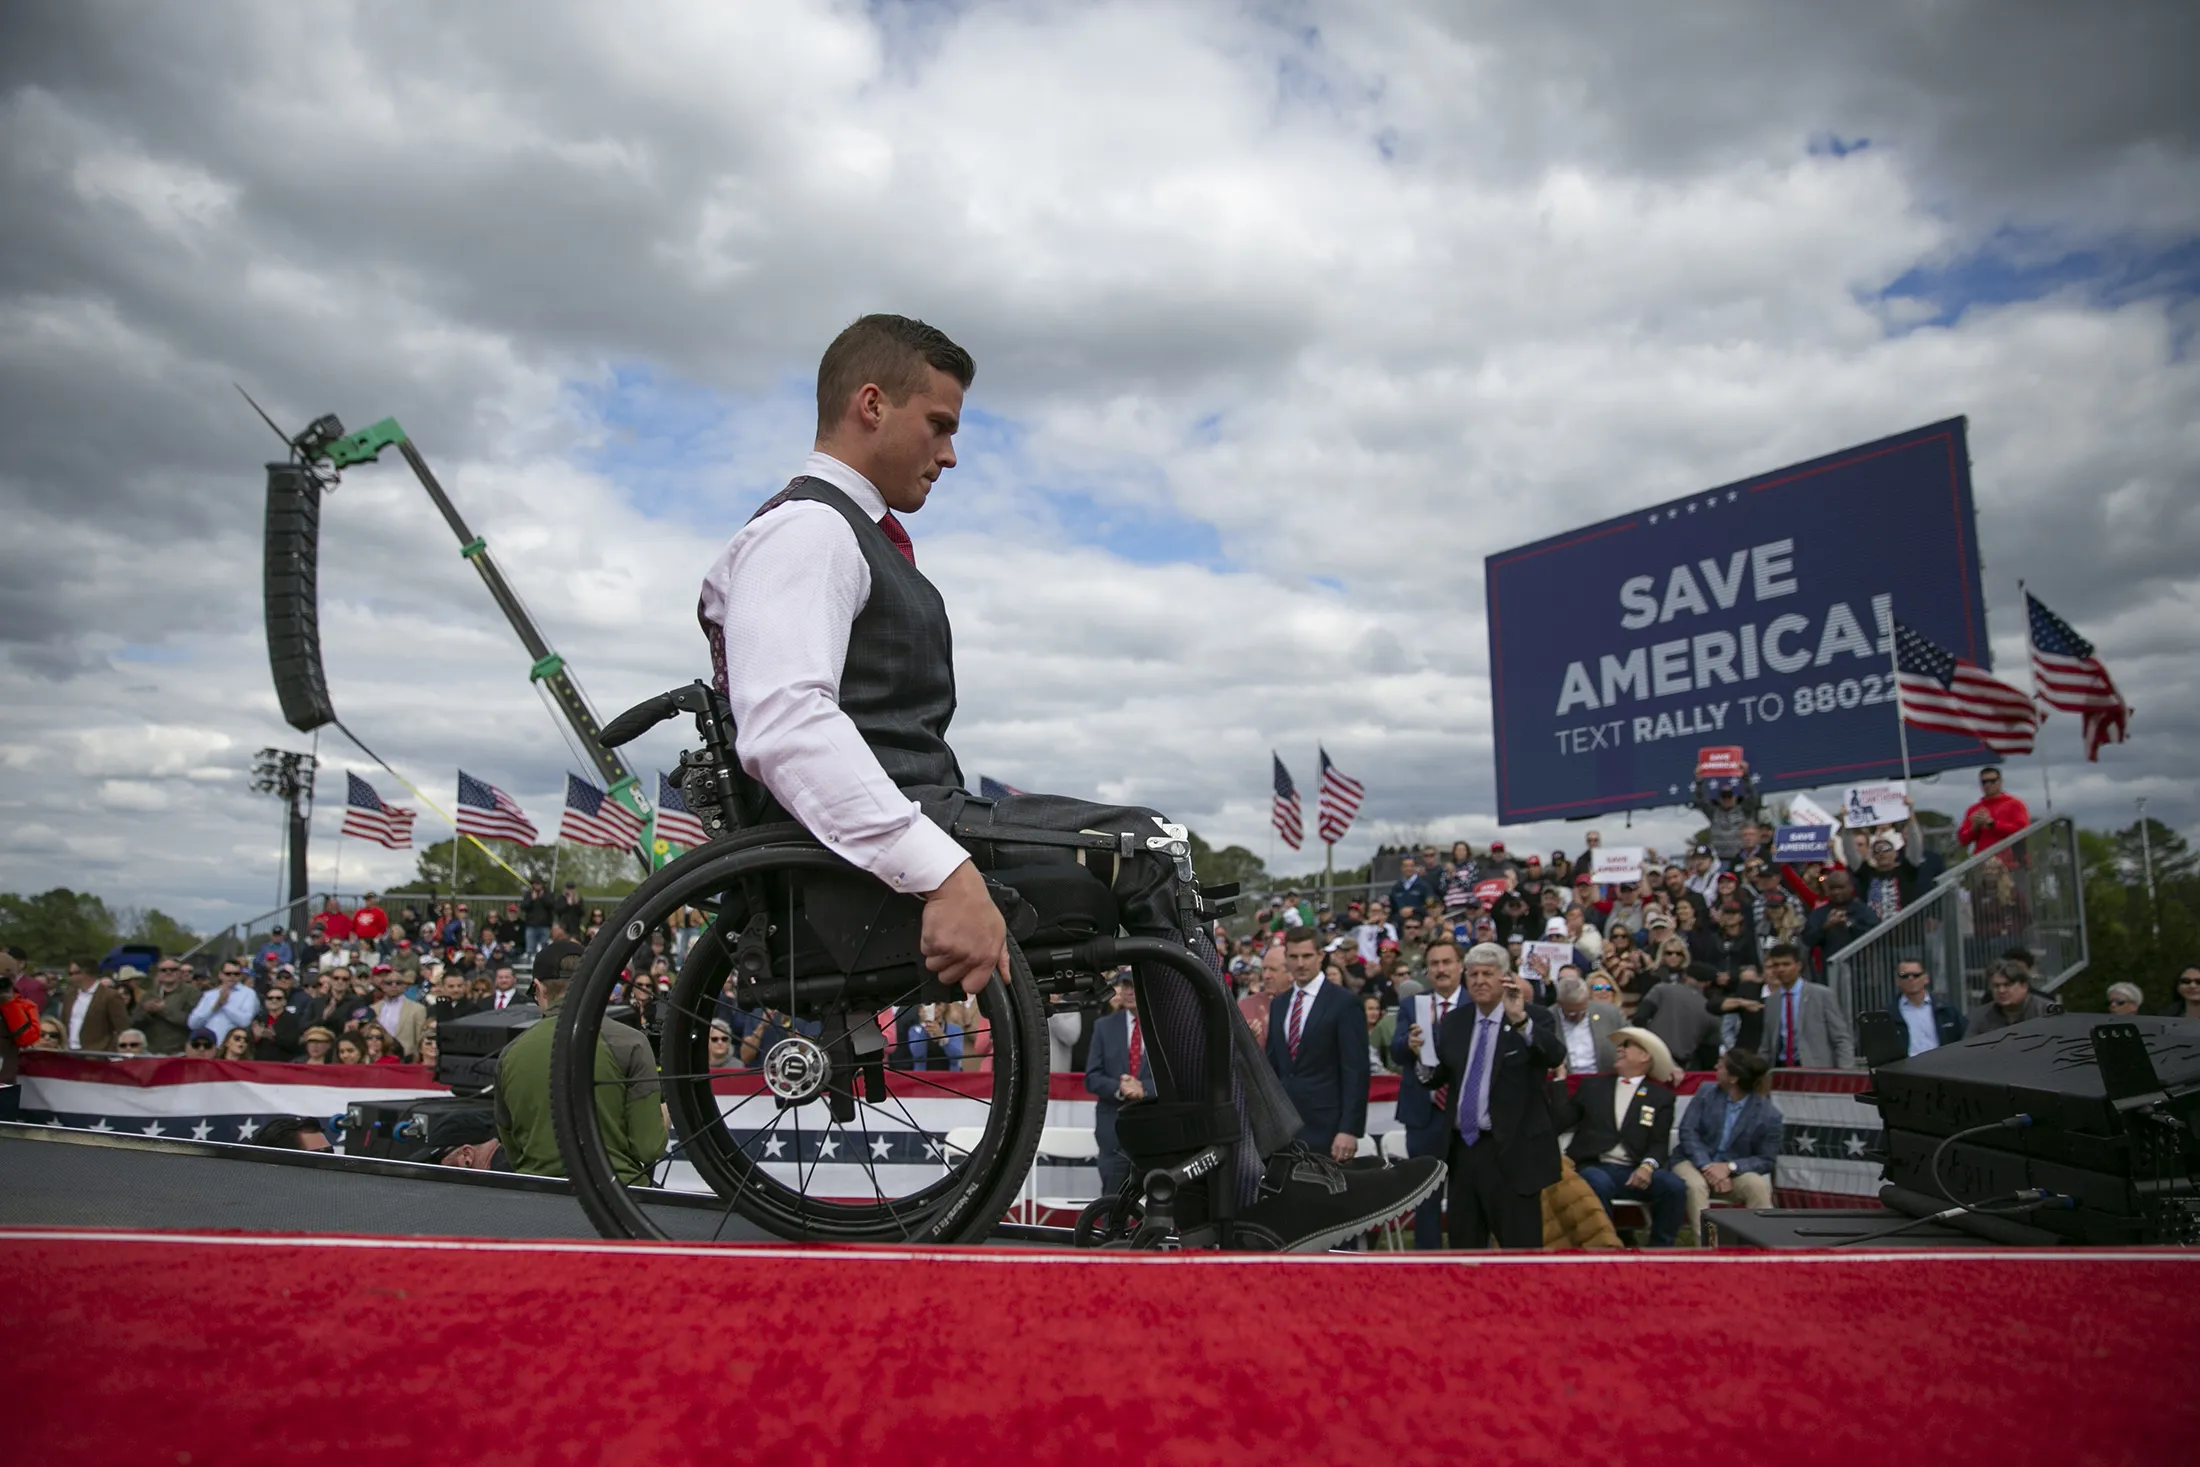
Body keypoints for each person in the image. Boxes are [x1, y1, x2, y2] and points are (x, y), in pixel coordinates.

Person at [693, 316, 1434, 1247]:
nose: (952, 454)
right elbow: (787, 725)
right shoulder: (807, 532)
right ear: (869, 405)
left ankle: (1243, 1166)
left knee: (1150, 844)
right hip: (873, 859)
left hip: (908, 817)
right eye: (941, 423)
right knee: (1147, 850)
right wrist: (943, 871)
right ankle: (1252, 1179)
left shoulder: (845, 537)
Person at [1412, 943, 1564, 1249]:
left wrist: (1520, 1020)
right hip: (1463, 1151)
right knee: (1465, 1248)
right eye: (1473, 974)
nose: (1479, 980)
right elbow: (1438, 1078)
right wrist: (1421, 1056)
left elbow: (1554, 1054)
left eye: (1488, 974)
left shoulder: (1532, 1017)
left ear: (1505, 978)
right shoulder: (1455, 1022)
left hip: (1512, 1151)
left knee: (1519, 1251)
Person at [496, 940, 666, 1184]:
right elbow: (648, 1148)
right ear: (593, 982)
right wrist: (663, 1119)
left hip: (535, 1198)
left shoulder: (509, 1054)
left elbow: (512, 1150)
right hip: (618, 1199)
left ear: (539, 988)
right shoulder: (632, 1043)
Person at [1555, 1026, 1687, 1246]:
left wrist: (1647, 1166)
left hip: (1636, 1169)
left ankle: (1661, 1252)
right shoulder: (1592, 1087)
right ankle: (1605, 1248)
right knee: (1598, 1183)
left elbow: (1658, 1143)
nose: (1619, 1049)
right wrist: (1560, 1080)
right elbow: (1558, 1122)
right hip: (1595, 1165)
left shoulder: (1660, 1097)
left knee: (1674, 1186)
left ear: (1645, 1056)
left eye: (1627, 1045)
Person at [1264, 927, 1368, 1162]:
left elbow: (1356, 1071)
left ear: (1320, 955)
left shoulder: (1344, 1003)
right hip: (1284, 1131)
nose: (1300, 964)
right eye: (1293, 957)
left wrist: (1349, 1129)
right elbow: (1273, 1068)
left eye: (1307, 956)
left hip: (1328, 1131)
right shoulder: (1279, 1005)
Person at [1391, 936, 1469, 1248]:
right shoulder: (1413, 1005)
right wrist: (1409, 1046)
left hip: (1465, 1115)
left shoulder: (1474, 1004)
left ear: (1460, 966)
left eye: (1446, 962)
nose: (1440, 969)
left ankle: (1467, 1263)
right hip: (1422, 1115)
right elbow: (1395, 1052)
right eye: (1434, 964)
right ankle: (1427, 1267)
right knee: (1426, 1196)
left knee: (1465, 1194)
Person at [1671, 1047, 1782, 1240]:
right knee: (1696, 1186)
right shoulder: (1706, 1092)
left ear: (1733, 1078)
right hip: (1692, 1161)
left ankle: (1760, 1248)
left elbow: (1766, 1159)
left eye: (1721, 1065)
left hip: (1732, 1170)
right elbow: (1688, 1132)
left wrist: (1729, 1168)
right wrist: (1708, 1167)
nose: (1715, 1067)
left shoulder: (1769, 1115)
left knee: (1757, 1186)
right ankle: (1709, 1247)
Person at [1085, 975, 1155, 1198]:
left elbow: (1176, 1077)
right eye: (1125, 985)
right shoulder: (1103, 1027)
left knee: (1157, 1204)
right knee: (1112, 1204)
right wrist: (1121, 1088)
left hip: (1154, 1132)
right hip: (1113, 1133)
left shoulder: (1163, 1027)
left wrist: (1144, 1089)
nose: (1129, 991)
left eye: (1135, 985)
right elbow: (1092, 1077)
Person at [1761, 943, 1856, 1068]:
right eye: (1776, 965)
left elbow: (1841, 1039)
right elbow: (1767, 1044)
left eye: (1786, 964)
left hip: (1815, 1069)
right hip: (1780, 1069)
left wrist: (1846, 1073)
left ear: (1799, 965)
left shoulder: (1822, 995)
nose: (1781, 969)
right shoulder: (1772, 1001)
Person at [1634, 961, 1721, 1073]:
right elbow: (1709, 1055)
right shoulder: (1711, 1011)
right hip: (1679, 1067)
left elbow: (1640, 1018)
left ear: (1685, 975)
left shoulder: (1662, 990)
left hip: (1648, 1054)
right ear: (1708, 983)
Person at [1551, 971, 1624, 1077]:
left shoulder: (1610, 1013)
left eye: (1583, 1010)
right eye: (1571, 1012)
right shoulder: (1548, 1018)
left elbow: (1633, 1039)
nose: (1578, 1015)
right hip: (1566, 1080)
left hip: (1602, 1078)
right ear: (1560, 1004)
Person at [1887, 961, 1965, 1056]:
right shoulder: (1888, 1015)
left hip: (1941, 1066)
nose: (1911, 979)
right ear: (1897, 981)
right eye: (1904, 976)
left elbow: (1963, 1039)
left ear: (1926, 978)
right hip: (1904, 1068)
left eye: (1916, 975)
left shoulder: (1947, 1010)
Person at [1966, 959, 2062, 1035]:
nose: (2001, 990)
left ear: (2024, 986)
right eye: (1996, 986)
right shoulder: (1980, 1016)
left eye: (2007, 985)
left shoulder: (2047, 1011)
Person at [126, 958, 201, 1055]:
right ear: (158, 974)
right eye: (163, 970)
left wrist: (164, 1009)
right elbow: (134, 1023)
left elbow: (192, 1022)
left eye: (173, 969)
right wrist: (145, 1011)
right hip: (151, 1051)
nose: (168, 972)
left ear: (180, 972)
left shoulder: (192, 992)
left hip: (179, 1051)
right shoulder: (149, 994)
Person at [1692, 766, 1763, 864]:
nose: (1727, 799)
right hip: (1720, 859)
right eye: (1724, 797)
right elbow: (1701, 799)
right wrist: (1699, 781)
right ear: (1719, 799)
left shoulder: (1743, 810)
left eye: (1729, 796)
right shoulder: (1713, 812)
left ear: (1735, 797)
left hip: (1741, 857)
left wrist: (1745, 777)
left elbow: (1753, 796)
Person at [1957, 766, 2030, 855]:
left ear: (2000, 781)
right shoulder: (1974, 809)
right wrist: (1974, 827)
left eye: (1992, 781)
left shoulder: (2015, 804)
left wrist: (1992, 824)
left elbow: (2022, 831)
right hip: (1983, 861)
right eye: (1984, 782)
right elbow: (1963, 840)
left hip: (2012, 862)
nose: (1988, 784)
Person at [61, 961, 131, 1052]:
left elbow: (122, 1027)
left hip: (97, 1054)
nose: (70, 977)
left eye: (72, 973)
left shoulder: (109, 996)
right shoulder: (70, 996)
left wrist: (109, 1050)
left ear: (85, 974)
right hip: (68, 1052)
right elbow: (63, 1023)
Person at [186, 964, 260, 1047]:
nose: (232, 976)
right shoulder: (209, 995)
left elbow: (245, 1022)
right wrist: (213, 1008)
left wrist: (224, 1004)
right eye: (228, 973)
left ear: (241, 975)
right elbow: (193, 1024)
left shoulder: (248, 993)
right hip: (210, 1046)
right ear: (220, 975)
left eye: (236, 974)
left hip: (233, 1047)